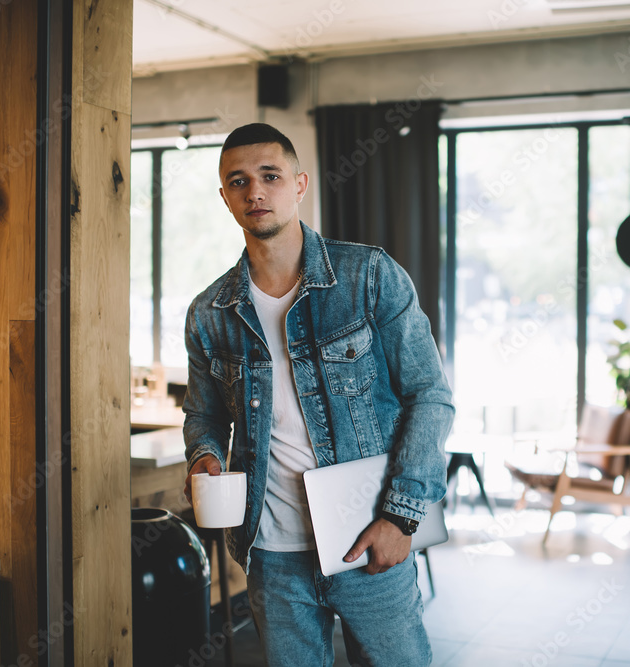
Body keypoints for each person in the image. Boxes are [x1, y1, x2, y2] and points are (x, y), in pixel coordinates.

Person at [181, 123, 453, 666]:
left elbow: (430, 396)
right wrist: (205, 455)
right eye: (238, 181)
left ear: (299, 184)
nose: (255, 191)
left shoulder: (369, 276)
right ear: (225, 197)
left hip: (366, 534)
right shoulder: (209, 312)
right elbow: (203, 413)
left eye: (270, 176)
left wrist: (401, 517)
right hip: (271, 555)